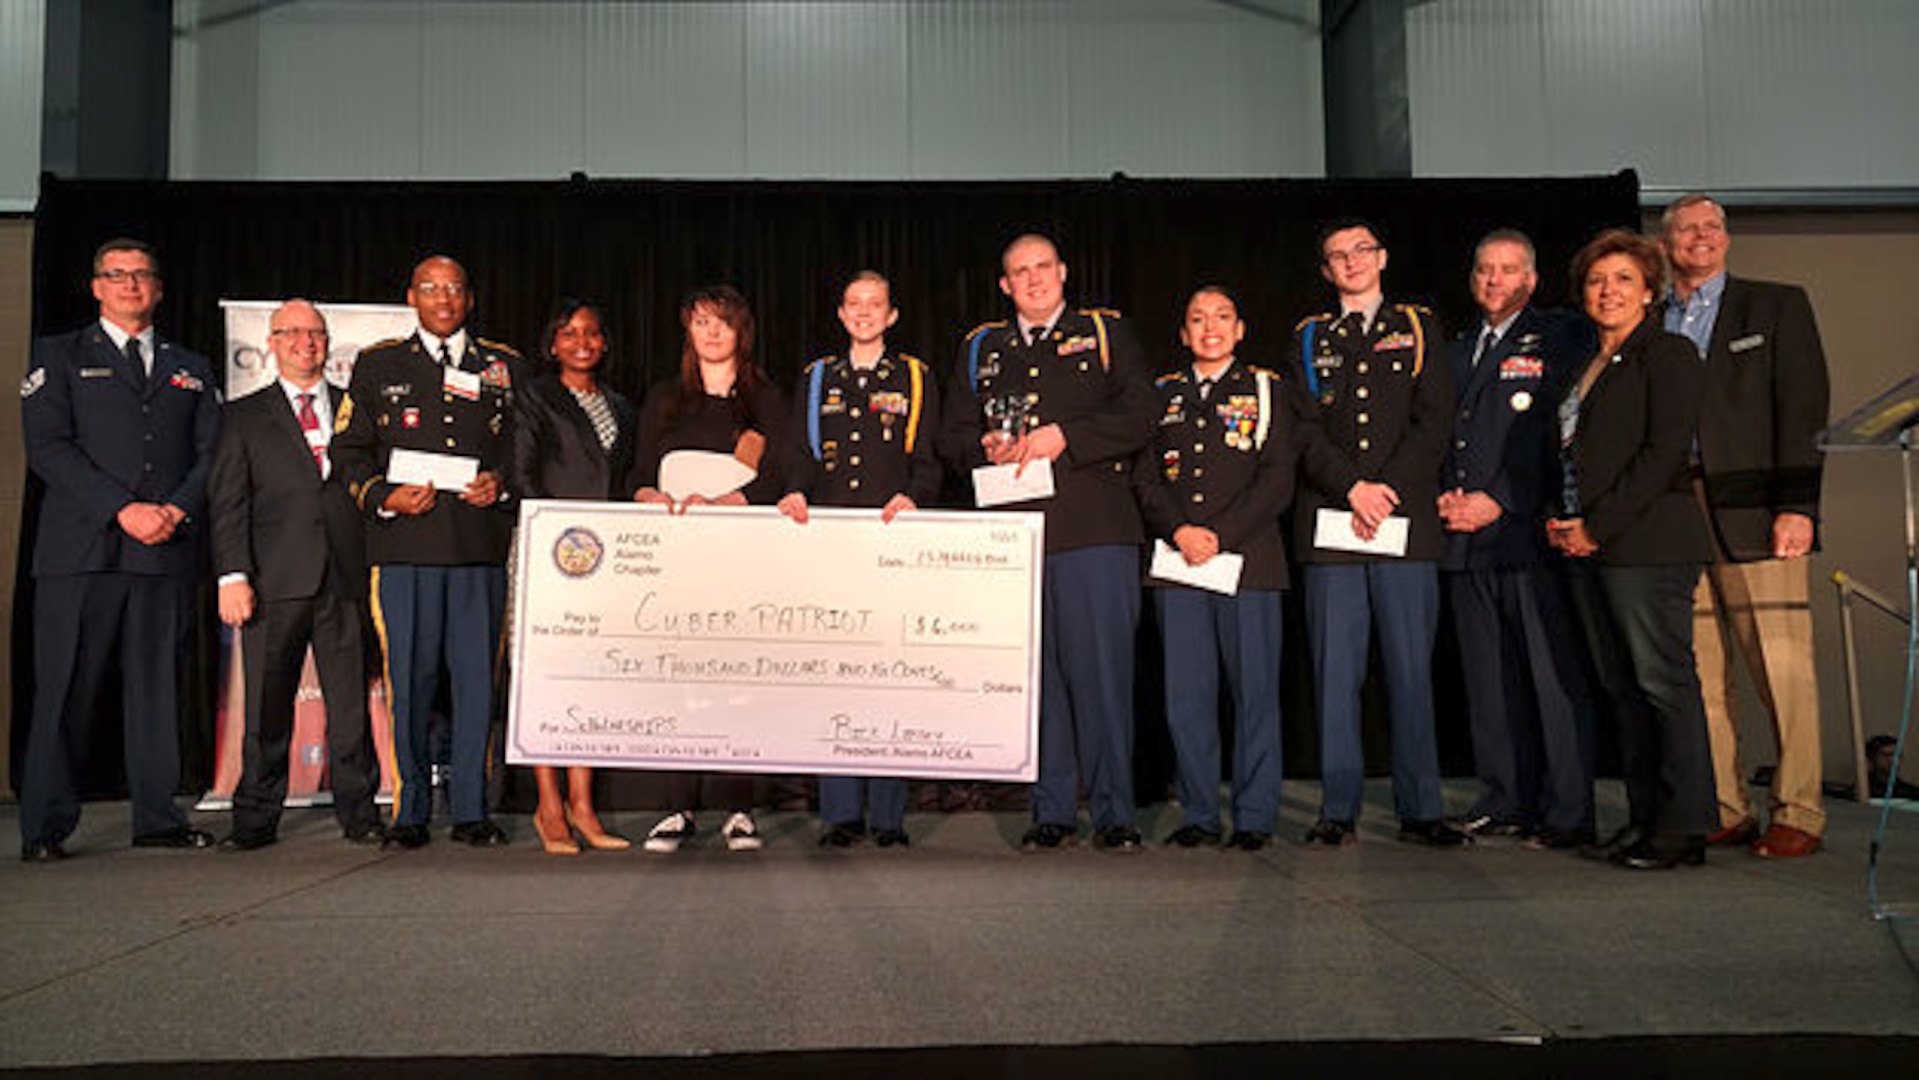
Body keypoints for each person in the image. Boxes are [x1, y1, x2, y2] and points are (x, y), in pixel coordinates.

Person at [943, 232, 1156, 853]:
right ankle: (1053, 810)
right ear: (1004, 285)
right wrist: (980, 447)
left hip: (1094, 531)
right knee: (1038, 682)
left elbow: (1144, 413)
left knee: (1104, 678)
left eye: (1043, 267)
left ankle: (1116, 813)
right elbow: (951, 435)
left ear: (1063, 272)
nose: (1033, 279)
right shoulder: (982, 347)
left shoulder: (1106, 332)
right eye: (1019, 272)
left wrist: (1068, 435)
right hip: (1014, 536)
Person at [18, 238, 221, 861]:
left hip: (163, 548)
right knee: (67, 688)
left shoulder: (191, 366)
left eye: (142, 276)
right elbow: (49, 450)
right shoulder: (57, 357)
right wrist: (122, 509)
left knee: (156, 689)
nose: (131, 285)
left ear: (158, 289)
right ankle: (45, 826)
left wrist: (178, 508)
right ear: (96, 287)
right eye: (117, 275)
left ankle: (158, 817)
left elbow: (212, 454)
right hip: (83, 552)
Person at [1660, 193, 1832, 860]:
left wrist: (1800, 508)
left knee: (1781, 669)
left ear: (1726, 238)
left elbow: (1803, 410)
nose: (1699, 237)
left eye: (1711, 227)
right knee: (1699, 673)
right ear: (1666, 241)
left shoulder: (1775, 305)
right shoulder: (1650, 316)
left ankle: (1798, 811)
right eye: (1685, 228)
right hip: (1673, 514)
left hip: (1758, 514)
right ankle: (1724, 806)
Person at [331, 255, 521, 849]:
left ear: (469, 297)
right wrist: (384, 495)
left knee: (475, 685)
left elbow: (522, 450)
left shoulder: (503, 365)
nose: (444, 298)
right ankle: (409, 808)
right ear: (411, 295)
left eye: (455, 288)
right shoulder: (377, 363)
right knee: (408, 682)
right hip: (404, 548)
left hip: (476, 551)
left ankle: (471, 808)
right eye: (432, 288)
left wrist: (503, 483)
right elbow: (349, 452)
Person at [1290, 220, 1465, 849]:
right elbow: (1303, 431)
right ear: (1326, 270)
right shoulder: (1310, 337)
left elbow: (1434, 416)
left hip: (1402, 523)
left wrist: (1384, 488)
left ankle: (1421, 808)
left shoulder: (1417, 325)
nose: (1350, 262)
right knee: (1336, 674)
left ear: (1382, 257)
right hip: (1335, 527)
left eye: (1361, 250)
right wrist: (1352, 490)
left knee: (1410, 671)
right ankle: (1338, 809)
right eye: (1337, 255)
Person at [1548, 228, 1714, 871]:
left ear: (1649, 290)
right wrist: (1560, 519)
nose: (1608, 291)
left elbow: (1662, 456)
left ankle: (1685, 826)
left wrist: (1598, 524)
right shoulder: (1583, 363)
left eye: (1622, 279)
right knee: (1623, 687)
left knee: (1662, 684)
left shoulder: (1668, 355)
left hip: (1648, 545)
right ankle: (1646, 818)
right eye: (1596, 281)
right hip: (1590, 546)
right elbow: (1568, 455)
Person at [1439, 230, 1596, 848]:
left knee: (1550, 681)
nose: (1494, 280)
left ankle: (1567, 812)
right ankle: (1506, 800)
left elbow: (1550, 430)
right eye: (1484, 270)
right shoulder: (1455, 351)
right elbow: (1442, 435)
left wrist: (1498, 497)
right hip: (1464, 539)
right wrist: (1444, 495)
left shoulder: (1561, 335)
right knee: (1488, 681)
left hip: (1527, 534)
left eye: (1507, 270)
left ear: (1530, 279)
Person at [208, 299, 384, 850]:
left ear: (327, 343)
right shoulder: (242, 416)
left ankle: (361, 815)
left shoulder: (358, 411)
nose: (306, 342)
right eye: (293, 333)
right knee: (265, 707)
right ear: (273, 342)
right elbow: (228, 502)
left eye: (316, 333)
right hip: (273, 580)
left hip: (346, 579)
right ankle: (255, 818)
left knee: (351, 705)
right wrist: (231, 575)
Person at [777, 271, 942, 849]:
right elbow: (799, 451)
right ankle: (841, 812)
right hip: (829, 544)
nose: (865, 312)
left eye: (876, 304)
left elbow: (928, 459)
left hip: (890, 544)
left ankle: (889, 815)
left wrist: (914, 496)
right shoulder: (818, 376)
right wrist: (795, 490)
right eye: (855, 304)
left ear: (891, 315)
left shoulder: (915, 376)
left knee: (888, 678)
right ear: (841, 314)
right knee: (835, 677)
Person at [1137, 286, 1298, 852]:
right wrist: (1180, 531)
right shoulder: (1162, 395)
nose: (1210, 327)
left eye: (1222, 317)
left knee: (1254, 694)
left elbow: (1278, 478)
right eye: (1198, 319)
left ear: (1240, 328)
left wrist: (1220, 536)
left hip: (1247, 564)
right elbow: (1147, 478)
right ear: (1183, 333)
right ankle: (1200, 813)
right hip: (1178, 563)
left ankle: (1254, 817)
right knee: (1187, 697)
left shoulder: (1266, 389)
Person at [627, 284, 786, 853]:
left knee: (735, 679)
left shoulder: (764, 399)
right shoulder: (666, 398)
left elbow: (786, 474)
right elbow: (638, 473)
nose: (712, 332)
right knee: (680, 679)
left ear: (741, 331)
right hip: (675, 561)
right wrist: (649, 496)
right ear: (688, 332)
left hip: (739, 559)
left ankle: (740, 807)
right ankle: (678, 807)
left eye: (723, 322)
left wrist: (727, 506)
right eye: (700, 322)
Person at [508, 299, 637, 855]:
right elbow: (520, 473)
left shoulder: (622, 406)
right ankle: (549, 806)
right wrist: (556, 538)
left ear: (604, 343)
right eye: (569, 333)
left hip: (605, 560)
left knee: (590, 681)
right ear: (552, 344)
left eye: (592, 332)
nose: (582, 341)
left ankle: (584, 806)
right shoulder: (534, 395)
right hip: (548, 550)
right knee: (544, 678)